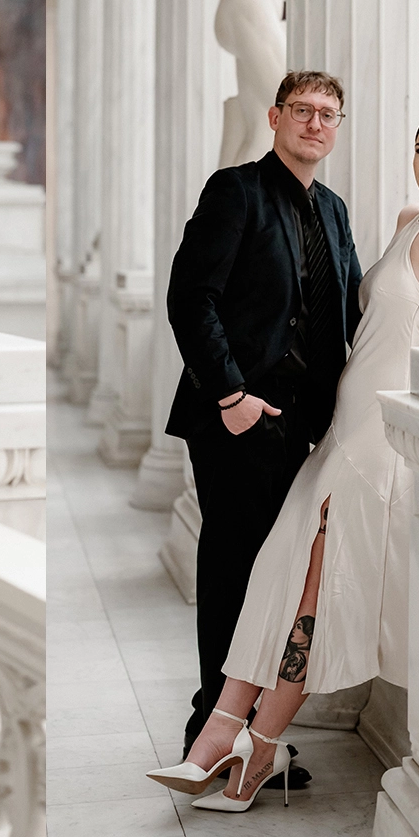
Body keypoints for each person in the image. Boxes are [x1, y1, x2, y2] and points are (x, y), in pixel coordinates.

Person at [149, 108, 419, 811]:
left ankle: (227, 751)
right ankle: (233, 746)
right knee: (285, 580)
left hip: (380, 434)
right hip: (345, 425)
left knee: (315, 586)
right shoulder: (415, 215)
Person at [158, 71, 364, 793]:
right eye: (302, 111)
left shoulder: (334, 211)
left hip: (306, 431)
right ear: (274, 116)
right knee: (233, 577)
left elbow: (344, 316)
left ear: (336, 129)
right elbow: (190, 298)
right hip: (237, 422)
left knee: (276, 584)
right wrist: (229, 395)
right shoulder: (234, 190)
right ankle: (205, 731)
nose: (314, 124)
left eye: (327, 115)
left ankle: (251, 737)